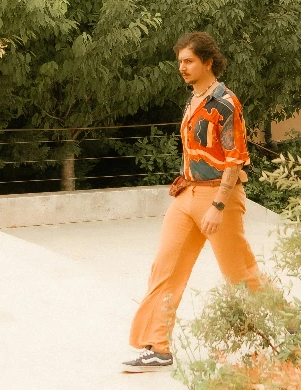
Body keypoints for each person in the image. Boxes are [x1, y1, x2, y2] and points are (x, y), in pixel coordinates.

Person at [122, 32, 263, 373]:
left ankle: (286, 328)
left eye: (189, 61)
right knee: (164, 269)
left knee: (240, 273)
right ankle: (157, 346)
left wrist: (217, 206)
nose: (182, 68)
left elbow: (235, 158)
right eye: (180, 62)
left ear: (208, 62)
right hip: (187, 194)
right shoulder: (194, 99)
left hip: (219, 197)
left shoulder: (225, 102)